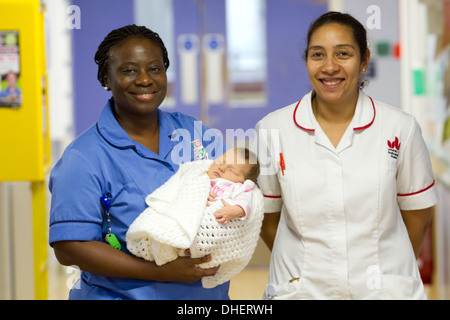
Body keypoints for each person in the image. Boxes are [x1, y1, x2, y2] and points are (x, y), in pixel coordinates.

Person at [255, 12, 438, 300]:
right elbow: (267, 218)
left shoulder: (400, 128)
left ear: (364, 61)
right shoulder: (272, 129)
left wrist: (387, 268)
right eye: (318, 55)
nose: (329, 67)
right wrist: (304, 267)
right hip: (304, 291)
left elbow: (418, 211)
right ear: (306, 61)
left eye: (343, 54)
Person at [49, 25, 229, 300]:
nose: (145, 79)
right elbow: (69, 246)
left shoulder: (197, 134)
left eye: (155, 68)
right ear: (106, 79)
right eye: (129, 70)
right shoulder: (83, 157)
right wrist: (161, 271)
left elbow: (236, 193)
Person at [126, 147, 263, 288]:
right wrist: (199, 193)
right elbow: (181, 188)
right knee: (170, 229)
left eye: (231, 170)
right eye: (220, 161)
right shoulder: (200, 175)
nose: (221, 168)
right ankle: (165, 247)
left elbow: (245, 204)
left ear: (243, 181)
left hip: (212, 225)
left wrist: (234, 211)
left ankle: (183, 250)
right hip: (188, 214)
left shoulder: (238, 188)